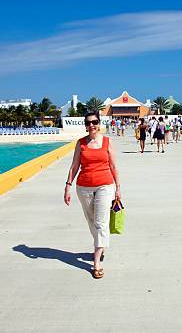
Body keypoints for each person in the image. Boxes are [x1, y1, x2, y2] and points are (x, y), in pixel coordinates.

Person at [64, 112, 121, 279]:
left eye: (94, 122)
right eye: (88, 123)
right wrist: (67, 186)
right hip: (84, 187)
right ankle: (100, 245)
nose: (91, 125)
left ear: (99, 123)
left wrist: (118, 188)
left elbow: (113, 166)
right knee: (91, 221)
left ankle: (96, 262)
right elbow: (74, 166)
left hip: (105, 186)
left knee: (100, 223)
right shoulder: (80, 143)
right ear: (85, 125)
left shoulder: (107, 142)